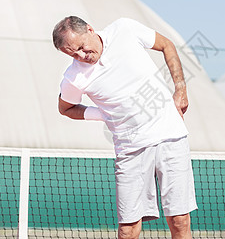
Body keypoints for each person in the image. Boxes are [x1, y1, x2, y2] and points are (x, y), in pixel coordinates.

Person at [52, 16, 197, 239]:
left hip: (170, 136)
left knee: (179, 221)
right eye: (72, 54)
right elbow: (66, 108)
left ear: (90, 29)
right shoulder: (73, 77)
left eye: (81, 47)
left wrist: (180, 89)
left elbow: (167, 45)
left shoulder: (125, 29)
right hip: (130, 150)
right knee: (128, 230)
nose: (81, 56)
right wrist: (101, 114)